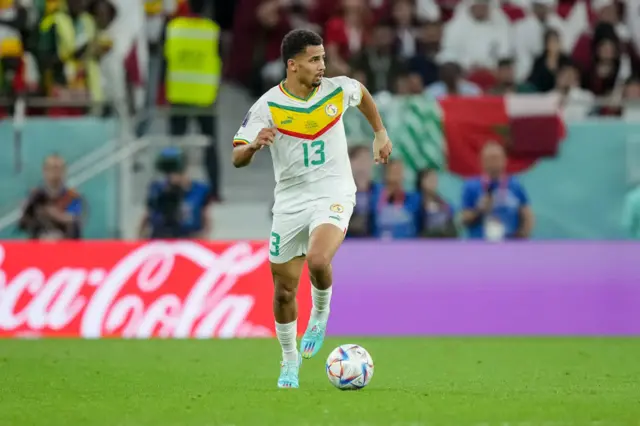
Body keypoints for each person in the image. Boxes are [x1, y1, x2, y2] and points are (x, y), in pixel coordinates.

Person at [231, 29, 392, 388]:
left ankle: (320, 313)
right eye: (314, 59)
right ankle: (289, 359)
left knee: (319, 260)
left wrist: (379, 132)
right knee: (284, 290)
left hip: (333, 191)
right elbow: (236, 157)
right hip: (290, 202)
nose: (323, 66)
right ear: (293, 65)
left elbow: (362, 94)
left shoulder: (338, 88)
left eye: (323, 58)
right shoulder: (267, 106)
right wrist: (254, 146)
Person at [461, 142, 534, 241]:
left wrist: (521, 238)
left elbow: (527, 214)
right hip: (479, 245)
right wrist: (479, 209)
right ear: (481, 161)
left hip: (510, 244)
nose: (493, 162)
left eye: (496, 158)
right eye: (489, 158)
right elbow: (464, 218)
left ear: (505, 160)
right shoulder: (471, 186)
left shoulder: (515, 185)